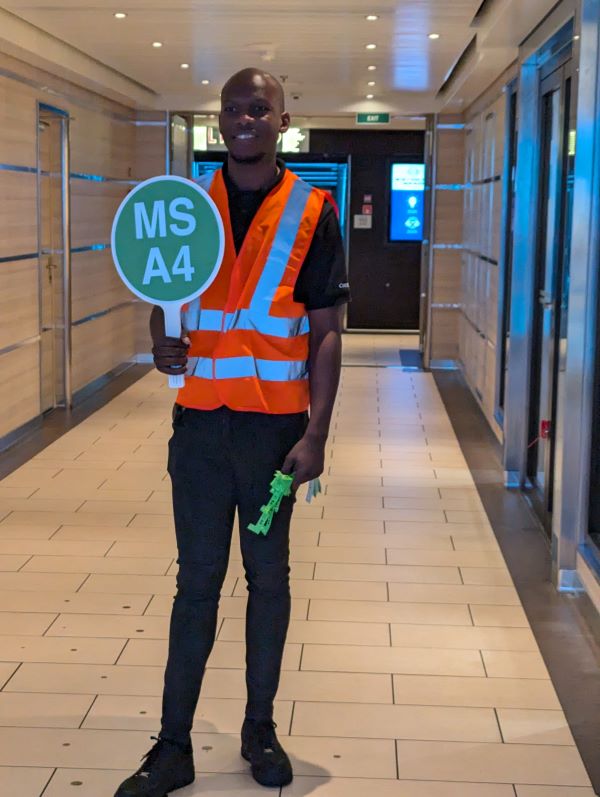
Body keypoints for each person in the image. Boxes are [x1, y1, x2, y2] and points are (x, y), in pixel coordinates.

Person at [115, 67, 349, 797]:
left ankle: (259, 728)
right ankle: (174, 743)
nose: (244, 119)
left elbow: (328, 330)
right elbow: (165, 298)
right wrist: (161, 340)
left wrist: (316, 433)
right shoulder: (190, 205)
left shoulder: (312, 211)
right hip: (201, 434)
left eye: (260, 108)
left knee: (268, 580)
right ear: (219, 121)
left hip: (274, 436)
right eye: (233, 109)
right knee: (197, 584)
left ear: (283, 119)